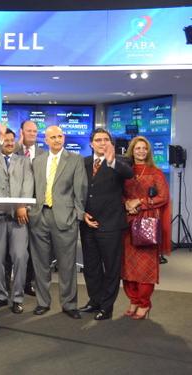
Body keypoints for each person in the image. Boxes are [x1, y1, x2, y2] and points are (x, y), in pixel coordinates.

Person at [29, 125, 87, 319]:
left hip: (65, 218)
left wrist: (77, 215)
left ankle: (69, 304)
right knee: (40, 263)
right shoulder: (37, 161)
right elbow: (33, 189)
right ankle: (42, 302)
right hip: (39, 216)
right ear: (46, 140)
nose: (57, 140)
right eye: (52, 137)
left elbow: (81, 190)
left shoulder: (75, 160)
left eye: (60, 136)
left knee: (67, 264)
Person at [78, 129, 133, 321]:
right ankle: (95, 301)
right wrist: (81, 213)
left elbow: (129, 174)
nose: (102, 143)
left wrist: (111, 161)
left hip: (110, 225)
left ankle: (107, 307)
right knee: (91, 266)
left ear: (111, 143)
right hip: (87, 223)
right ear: (91, 143)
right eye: (98, 140)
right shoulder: (82, 163)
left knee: (111, 268)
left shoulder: (120, 161)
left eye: (106, 140)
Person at [122, 136, 171, 320]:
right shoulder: (125, 171)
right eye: (138, 148)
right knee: (127, 266)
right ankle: (133, 300)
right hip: (127, 223)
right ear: (132, 151)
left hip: (146, 224)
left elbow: (163, 197)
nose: (141, 151)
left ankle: (144, 303)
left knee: (144, 267)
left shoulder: (155, 173)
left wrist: (140, 202)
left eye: (144, 148)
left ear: (148, 152)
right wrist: (126, 203)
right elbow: (117, 193)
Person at [0, 128, 33, 314]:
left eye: (11, 139)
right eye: (4, 139)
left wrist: (21, 204)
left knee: (20, 257)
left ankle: (17, 297)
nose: (8, 142)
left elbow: (28, 184)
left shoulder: (23, 161)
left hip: (18, 216)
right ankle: (0, 295)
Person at [14, 120, 44, 296]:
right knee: (15, 250)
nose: (32, 134)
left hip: (37, 207)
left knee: (33, 249)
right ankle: (12, 283)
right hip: (15, 206)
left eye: (35, 131)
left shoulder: (43, 154)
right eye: (29, 131)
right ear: (22, 131)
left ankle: (28, 282)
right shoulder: (13, 149)